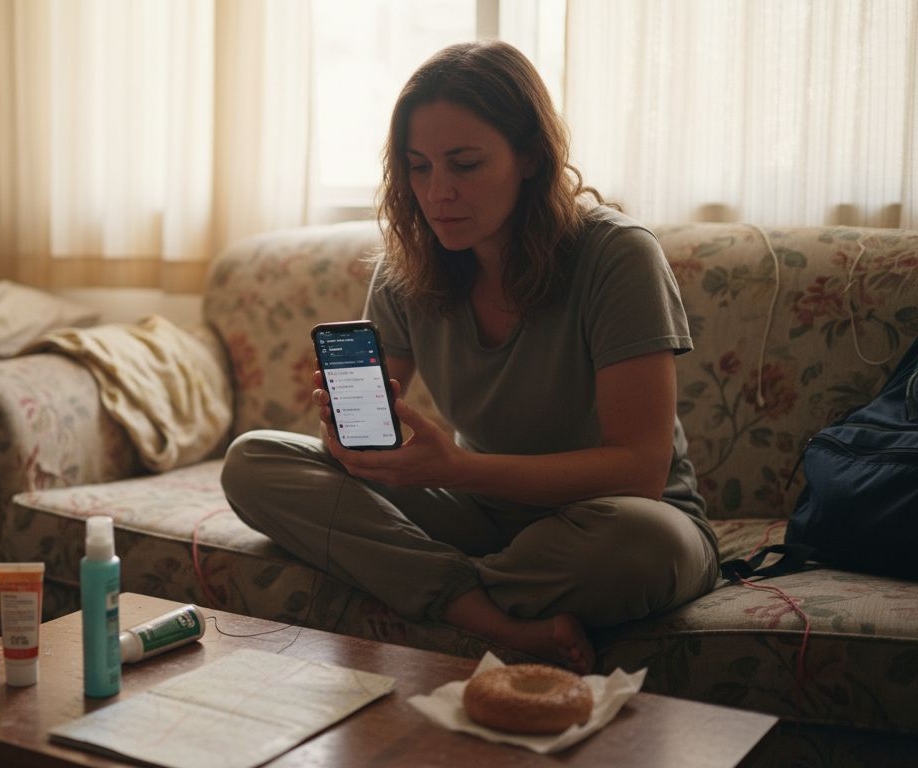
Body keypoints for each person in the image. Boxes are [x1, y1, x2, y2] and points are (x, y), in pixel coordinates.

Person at [219, 40, 719, 674]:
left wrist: (454, 468)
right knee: (253, 461)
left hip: (614, 519)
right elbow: (375, 440)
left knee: (642, 549)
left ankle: (435, 588)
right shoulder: (409, 269)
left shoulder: (617, 257)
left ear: (531, 156)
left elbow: (640, 469)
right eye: (419, 166)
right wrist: (358, 442)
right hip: (483, 520)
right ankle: (486, 615)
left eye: (465, 164)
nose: (438, 193)